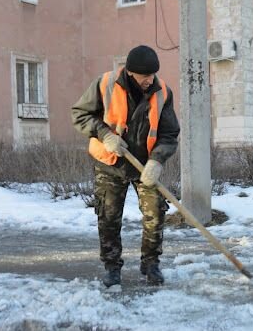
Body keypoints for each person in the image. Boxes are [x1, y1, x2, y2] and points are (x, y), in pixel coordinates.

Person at [72, 45, 180, 287]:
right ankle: (112, 268)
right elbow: (79, 114)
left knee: (155, 214)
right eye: (145, 76)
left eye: (153, 75)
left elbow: (170, 133)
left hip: (145, 166)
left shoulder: (162, 92)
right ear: (131, 73)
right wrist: (104, 134)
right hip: (110, 163)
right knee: (108, 217)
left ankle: (151, 264)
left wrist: (157, 160)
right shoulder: (105, 84)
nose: (150, 80)